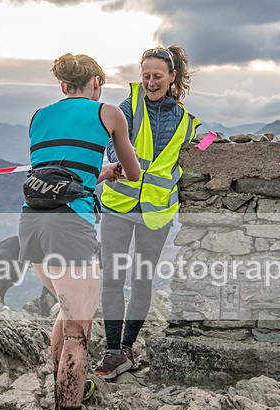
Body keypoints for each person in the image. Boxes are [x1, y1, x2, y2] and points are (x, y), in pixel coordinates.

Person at [18, 52, 142, 410]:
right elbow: (134, 171)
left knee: (66, 312)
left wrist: (98, 173)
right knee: (79, 332)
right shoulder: (108, 113)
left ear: (62, 86)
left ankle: (68, 382)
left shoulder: (39, 116)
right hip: (71, 226)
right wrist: (116, 167)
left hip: (32, 224)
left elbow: (60, 168)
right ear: (96, 84)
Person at [94, 45, 200, 379]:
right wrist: (120, 160)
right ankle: (112, 350)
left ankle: (126, 349)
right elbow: (112, 140)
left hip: (156, 212)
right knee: (113, 278)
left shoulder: (185, 120)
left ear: (172, 78)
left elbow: (202, 144)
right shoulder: (129, 106)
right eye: (146, 76)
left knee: (142, 281)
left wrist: (223, 142)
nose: (151, 82)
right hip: (118, 206)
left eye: (157, 76)